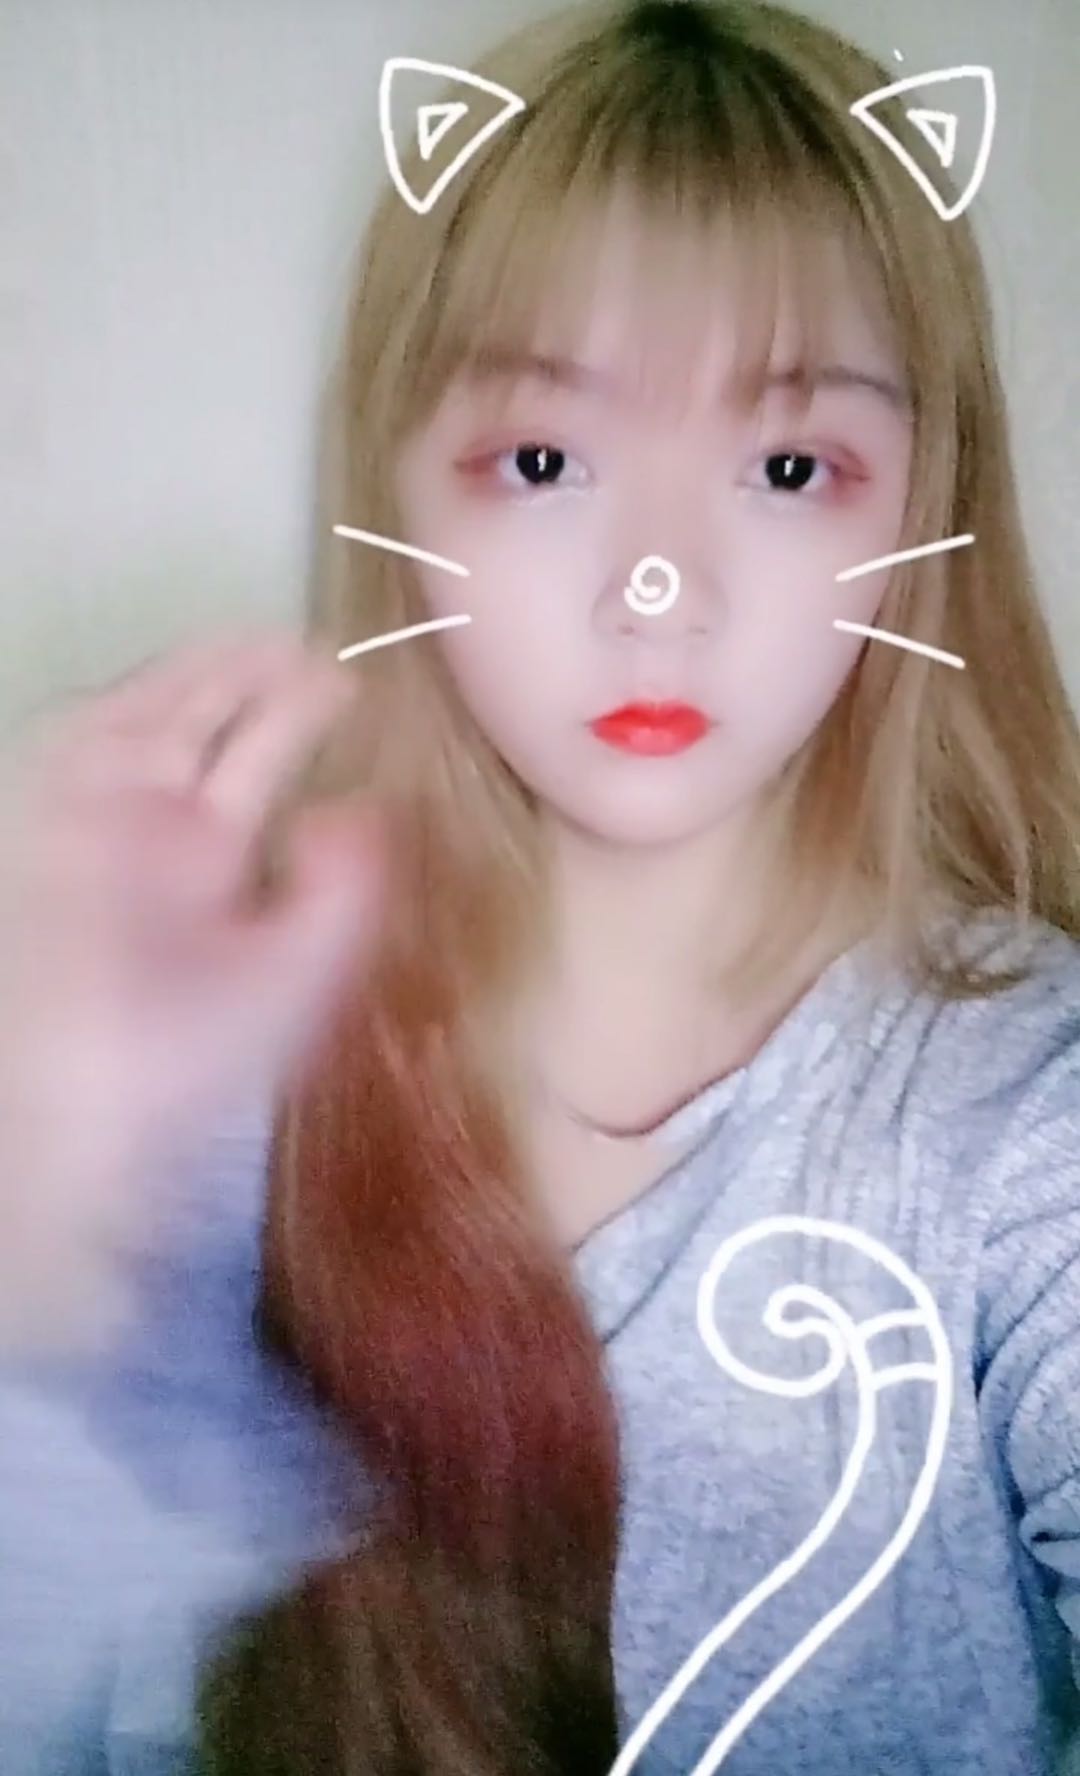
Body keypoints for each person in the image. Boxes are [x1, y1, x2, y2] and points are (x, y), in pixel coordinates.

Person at [3, 0, 1080, 1770]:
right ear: (400, 497)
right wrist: (49, 1224)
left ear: (919, 517)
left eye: (789, 468)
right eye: (545, 461)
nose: (661, 586)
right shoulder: (226, 1060)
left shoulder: (1023, 1120)